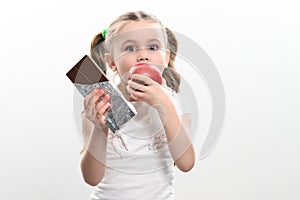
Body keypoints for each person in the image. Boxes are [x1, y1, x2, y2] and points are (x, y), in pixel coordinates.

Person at [80, 11, 195, 200]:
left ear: (166, 58)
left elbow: (186, 163)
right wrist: (101, 127)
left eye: (152, 46)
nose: (143, 56)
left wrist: (164, 106)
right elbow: (91, 178)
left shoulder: (173, 102)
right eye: (131, 48)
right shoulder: (98, 105)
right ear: (112, 62)